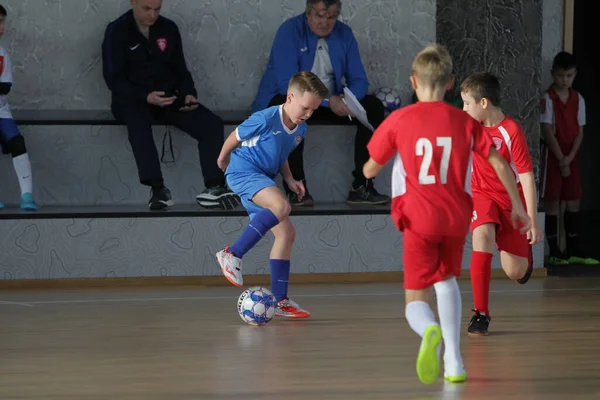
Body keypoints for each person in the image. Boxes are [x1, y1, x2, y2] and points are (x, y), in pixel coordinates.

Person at [362, 44, 530, 385]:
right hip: (453, 218)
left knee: (415, 300)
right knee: (447, 282)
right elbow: (499, 162)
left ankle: (429, 330)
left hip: (417, 219)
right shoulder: (463, 121)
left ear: (413, 81)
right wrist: (517, 205)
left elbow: (369, 170)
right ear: (451, 83)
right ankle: (454, 362)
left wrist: (374, 165)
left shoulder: (399, 120)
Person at [101, 0, 238, 210]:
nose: (152, 15)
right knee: (138, 124)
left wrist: (188, 94)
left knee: (211, 123)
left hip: (167, 99)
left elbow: (180, 69)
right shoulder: (117, 31)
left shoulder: (168, 28)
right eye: (146, 9)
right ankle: (158, 189)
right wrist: (145, 96)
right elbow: (113, 79)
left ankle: (215, 187)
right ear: (133, 3)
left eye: (157, 9)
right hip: (132, 101)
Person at [251, 0, 389, 206]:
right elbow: (287, 84)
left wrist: (348, 99)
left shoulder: (344, 34)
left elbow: (359, 79)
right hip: (297, 98)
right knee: (289, 107)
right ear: (308, 14)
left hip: (332, 102)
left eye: (331, 16)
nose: (325, 22)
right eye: (319, 15)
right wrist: (326, 101)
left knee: (374, 106)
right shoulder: (289, 31)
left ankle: (362, 185)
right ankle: (296, 188)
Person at [215, 71, 329, 318]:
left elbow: (281, 154)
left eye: (313, 110)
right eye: (305, 108)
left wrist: (289, 178)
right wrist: (223, 159)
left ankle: (280, 301)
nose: (308, 114)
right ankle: (231, 254)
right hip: (244, 172)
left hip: (263, 179)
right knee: (281, 206)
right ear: (290, 97)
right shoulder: (265, 118)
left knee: (287, 233)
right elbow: (235, 136)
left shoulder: (301, 128)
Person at [460, 72, 543, 336]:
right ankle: (480, 314)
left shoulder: (511, 131)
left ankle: (521, 256)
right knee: (481, 236)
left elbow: (527, 178)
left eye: (466, 104)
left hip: (512, 201)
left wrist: (532, 219)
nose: (463, 110)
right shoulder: (469, 128)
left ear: (483, 103)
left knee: (514, 271)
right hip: (482, 195)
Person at [540, 51, 598, 265]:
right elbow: (546, 129)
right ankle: (555, 253)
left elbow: (580, 132)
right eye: (560, 76)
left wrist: (570, 157)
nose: (564, 80)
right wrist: (561, 158)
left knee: (573, 201)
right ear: (553, 74)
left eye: (569, 76)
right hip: (553, 154)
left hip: (571, 155)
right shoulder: (547, 98)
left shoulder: (578, 98)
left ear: (575, 75)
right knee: (552, 202)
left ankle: (574, 251)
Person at [0, 5, 38, 211]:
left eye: (3, 21)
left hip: (2, 111)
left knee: (17, 143)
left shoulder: (2, 53)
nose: (2, 26)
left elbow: (5, 86)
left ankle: (27, 196)